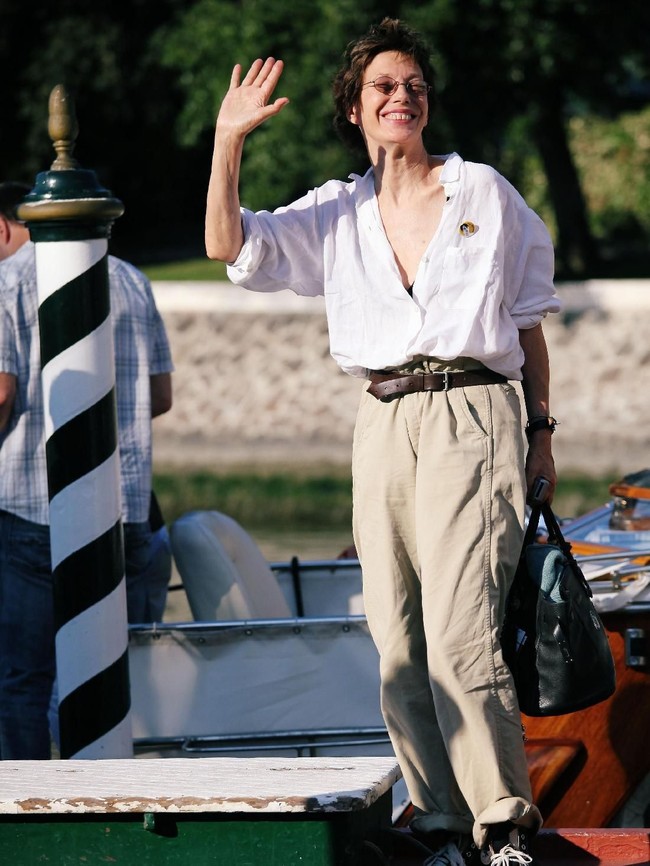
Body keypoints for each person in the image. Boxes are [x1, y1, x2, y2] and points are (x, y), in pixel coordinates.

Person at [205, 18, 560, 866]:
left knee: (461, 631)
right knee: (398, 639)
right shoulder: (335, 211)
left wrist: (541, 431)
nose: (403, 96)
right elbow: (228, 246)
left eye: (414, 86)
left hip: (474, 411)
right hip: (383, 419)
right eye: (385, 87)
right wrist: (228, 140)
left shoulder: (482, 192)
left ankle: (505, 826)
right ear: (355, 109)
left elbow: (527, 323)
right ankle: (438, 824)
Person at [0, 180, 174, 759]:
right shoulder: (131, 278)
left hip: (32, 509)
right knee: (123, 677)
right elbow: (161, 396)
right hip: (128, 507)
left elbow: (1, 392)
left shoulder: (5, 285)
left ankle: (24, 804)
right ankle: (115, 789)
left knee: (21, 683)